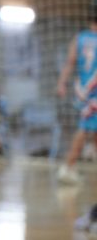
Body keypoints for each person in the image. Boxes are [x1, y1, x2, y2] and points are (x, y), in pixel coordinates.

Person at [56, 13, 97, 184]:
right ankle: (68, 166)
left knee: (89, 127)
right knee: (84, 129)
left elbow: (70, 62)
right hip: (93, 90)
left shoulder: (79, 39)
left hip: (83, 90)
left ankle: (91, 148)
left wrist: (61, 83)